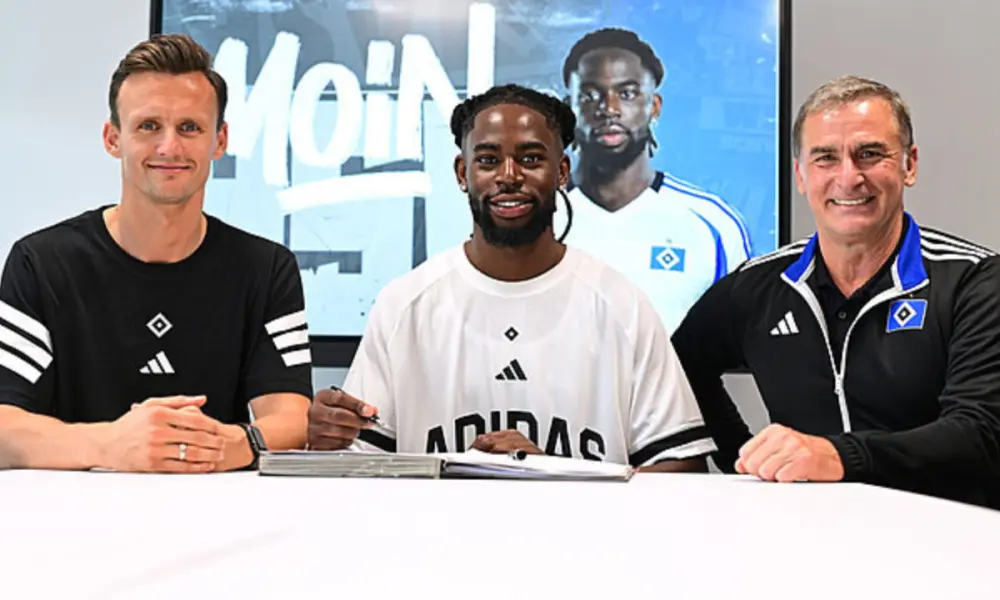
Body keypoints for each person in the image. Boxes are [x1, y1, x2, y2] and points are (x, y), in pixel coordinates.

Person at [306, 84, 715, 471]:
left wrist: (550, 476)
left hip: (579, 527)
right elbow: (359, 464)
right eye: (487, 161)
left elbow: (681, 465)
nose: (508, 175)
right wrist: (330, 438)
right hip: (437, 526)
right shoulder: (403, 303)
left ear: (562, 172)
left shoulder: (623, 304)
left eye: (531, 159)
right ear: (462, 173)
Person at [671, 74, 1000, 507]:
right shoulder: (758, 287)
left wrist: (837, 456)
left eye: (870, 154)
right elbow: (678, 365)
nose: (849, 177)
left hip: (951, 537)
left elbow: (981, 434)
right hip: (805, 535)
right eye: (825, 157)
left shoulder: (973, 282)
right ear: (800, 174)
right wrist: (741, 457)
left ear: (910, 164)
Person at [0, 34, 313, 473]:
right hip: (72, 512)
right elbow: (5, 428)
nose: (170, 147)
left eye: (190, 127)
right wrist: (110, 444)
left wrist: (237, 442)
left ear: (219, 140)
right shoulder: (41, 263)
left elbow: (292, 419)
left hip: (221, 509)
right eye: (148, 126)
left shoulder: (267, 269)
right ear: (113, 138)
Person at [559, 27, 752, 333]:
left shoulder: (713, 223)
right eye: (590, 95)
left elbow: (743, 340)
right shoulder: (538, 216)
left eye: (627, 94)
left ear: (654, 106)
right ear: (569, 107)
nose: (609, 109)